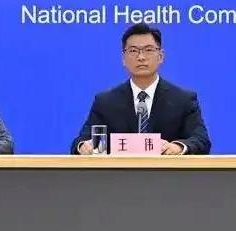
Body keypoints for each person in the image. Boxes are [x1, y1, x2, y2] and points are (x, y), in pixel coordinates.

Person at [71, 23, 211, 155]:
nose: (141, 57)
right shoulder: (105, 102)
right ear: (123, 59)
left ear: (161, 56)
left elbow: (201, 140)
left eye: (148, 50)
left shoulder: (183, 100)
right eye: (133, 51)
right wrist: (84, 146)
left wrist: (178, 147)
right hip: (119, 172)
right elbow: (81, 141)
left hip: (166, 172)